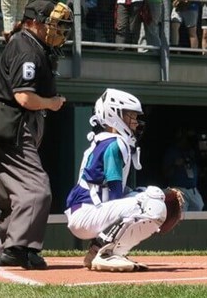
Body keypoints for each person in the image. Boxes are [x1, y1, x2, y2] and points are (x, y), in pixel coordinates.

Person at [0, 0, 71, 270]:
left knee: (10, 196)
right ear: (33, 22)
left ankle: (10, 247)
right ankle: (18, 248)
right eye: (53, 23)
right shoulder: (27, 47)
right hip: (12, 125)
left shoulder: (34, 45)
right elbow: (24, 97)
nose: (59, 30)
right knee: (37, 190)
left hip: (5, 124)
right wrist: (51, 103)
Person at [65, 89, 169, 272]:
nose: (135, 122)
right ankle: (107, 253)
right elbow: (114, 193)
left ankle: (99, 249)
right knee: (153, 202)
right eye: (131, 116)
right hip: (88, 213)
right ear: (115, 115)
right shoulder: (116, 143)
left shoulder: (105, 140)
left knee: (143, 195)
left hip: (84, 211)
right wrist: (146, 205)